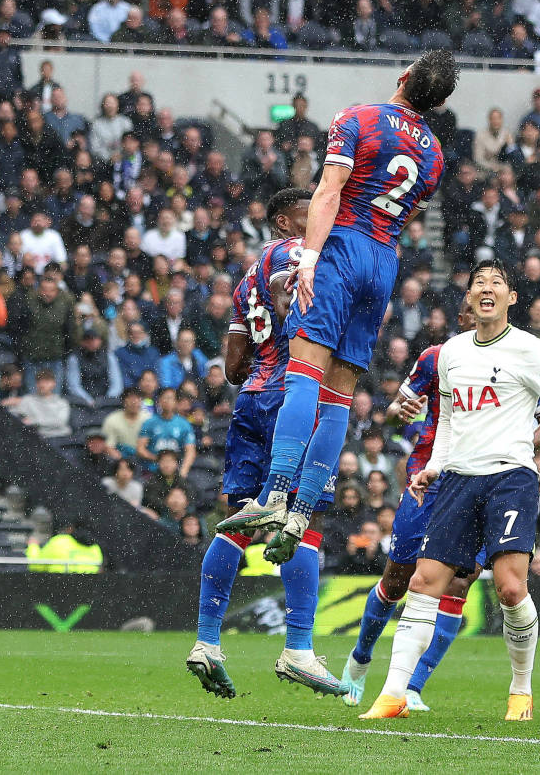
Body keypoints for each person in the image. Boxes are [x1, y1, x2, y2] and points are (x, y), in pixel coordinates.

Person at [216, 51, 456, 556]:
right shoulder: (434, 153)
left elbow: (328, 192)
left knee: (305, 373)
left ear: (404, 76)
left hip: (341, 250)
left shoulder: (358, 117)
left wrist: (309, 260)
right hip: (384, 259)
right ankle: (302, 514)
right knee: (340, 395)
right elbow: (404, 212)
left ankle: (277, 495)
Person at [359, 259, 540, 721]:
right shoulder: (452, 353)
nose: (487, 287)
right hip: (457, 480)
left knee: (510, 590)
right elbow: (451, 421)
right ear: (470, 296)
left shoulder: (531, 349)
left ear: (511, 298)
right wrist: (433, 467)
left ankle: (521, 690)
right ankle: (393, 693)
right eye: (479, 281)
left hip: (510, 479)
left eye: (497, 282)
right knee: (422, 583)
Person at [187, 189, 345, 698]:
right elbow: (291, 283)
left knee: (241, 520)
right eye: (309, 213)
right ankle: (298, 648)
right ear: (283, 221)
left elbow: (233, 368)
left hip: (253, 398)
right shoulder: (292, 251)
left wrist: (265, 342)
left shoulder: (242, 282)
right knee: (307, 518)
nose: (321, 218)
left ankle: (207, 642)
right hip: (295, 397)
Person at [25, 519, 103, 573]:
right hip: (86, 594)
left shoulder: (59, 541)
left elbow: (35, 566)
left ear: (71, 528)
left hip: (57, 591)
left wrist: (33, 546)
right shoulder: (96, 548)